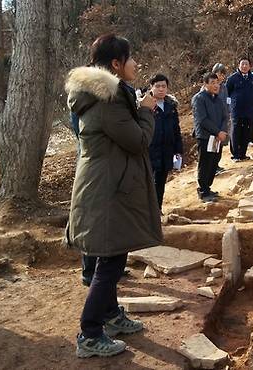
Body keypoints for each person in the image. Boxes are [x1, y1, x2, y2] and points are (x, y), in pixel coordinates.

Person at [65, 33, 162, 358]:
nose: (136, 64)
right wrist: (148, 110)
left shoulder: (105, 96)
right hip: (105, 193)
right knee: (110, 262)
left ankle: (110, 316)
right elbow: (137, 141)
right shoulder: (107, 100)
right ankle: (90, 332)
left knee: (111, 256)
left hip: (107, 187)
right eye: (131, 58)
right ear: (117, 64)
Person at [148, 73, 183, 209]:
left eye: (164, 86)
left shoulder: (171, 106)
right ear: (151, 87)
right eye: (157, 86)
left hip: (166, 150)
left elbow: (176, 130)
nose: (161, 89)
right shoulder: (145, 106)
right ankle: (148, 212)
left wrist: (178, 149)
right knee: (148, 183)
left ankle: (158, 209)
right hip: (150, 150)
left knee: (161, 182)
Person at [192, 72, 229, 201]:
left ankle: (208, 188)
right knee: (205, 163)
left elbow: (225, 117)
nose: (216, 85)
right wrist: (217, 132)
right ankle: (203, 190)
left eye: (217, 82)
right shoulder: (199, 99)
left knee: (214, 162)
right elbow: (202, 120)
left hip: (218, 137)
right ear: (205, 84)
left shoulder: (218, 99)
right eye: (212, 83)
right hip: (206, 136)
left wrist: (222, 131)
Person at [226, 58, 253, 161]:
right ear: (239, 65)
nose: (244, 66)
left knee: (246, 131)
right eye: (242, 64)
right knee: (236, 131)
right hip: (236, 110)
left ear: (250, 66)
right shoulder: (232, 78)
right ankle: (235, 155)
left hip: (248, 109)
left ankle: (243, 154)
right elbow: (227, 93)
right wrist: (228, 107)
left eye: (246, 64)